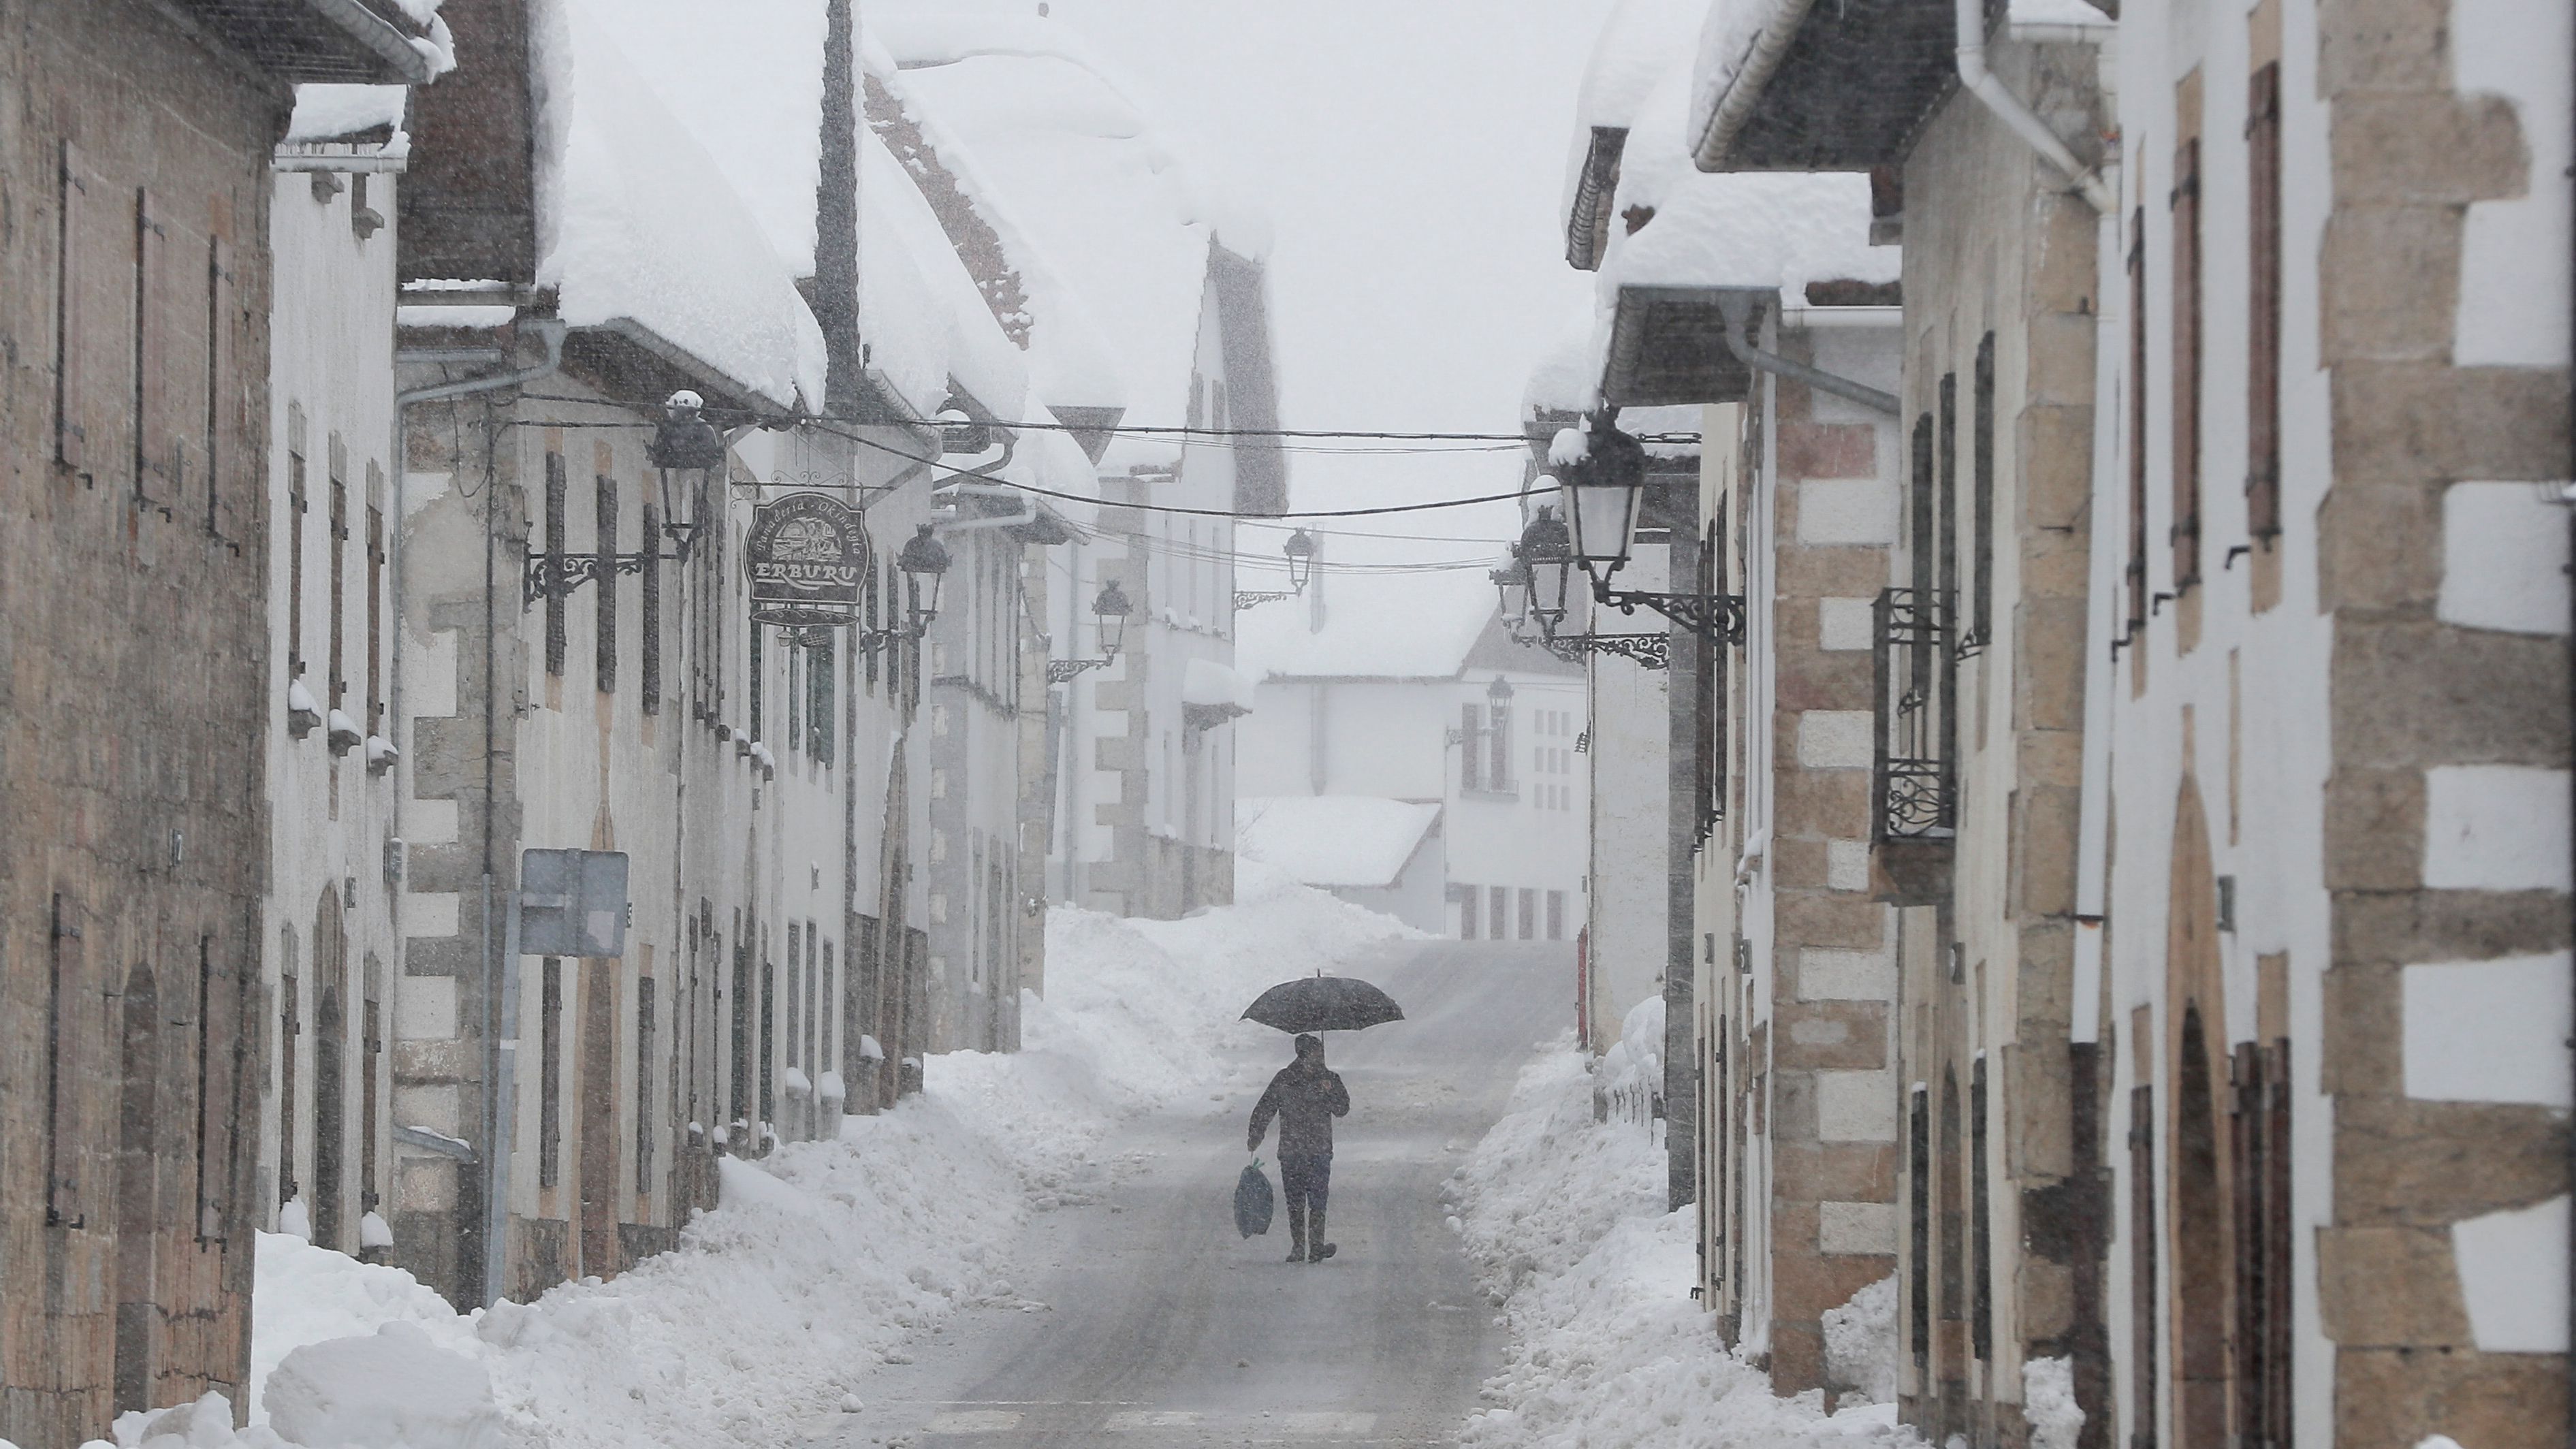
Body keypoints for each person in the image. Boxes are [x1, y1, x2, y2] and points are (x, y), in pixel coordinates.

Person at [1247, 1033, 1351, 1263]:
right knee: (1298, 1201)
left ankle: (1313, 1246)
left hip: (1311, 1150)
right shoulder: (1285, 1079)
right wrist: (1256, 1134)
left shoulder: (1327, 1078)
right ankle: (1300, 1246)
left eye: (1321, 1053)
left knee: (1314, 1200)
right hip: (1299, 1151)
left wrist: (1330, 1091)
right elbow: (1266, 1107)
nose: (1321, 1057)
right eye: (1317, 1053)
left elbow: (1343, 1108)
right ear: (1304, 1055)